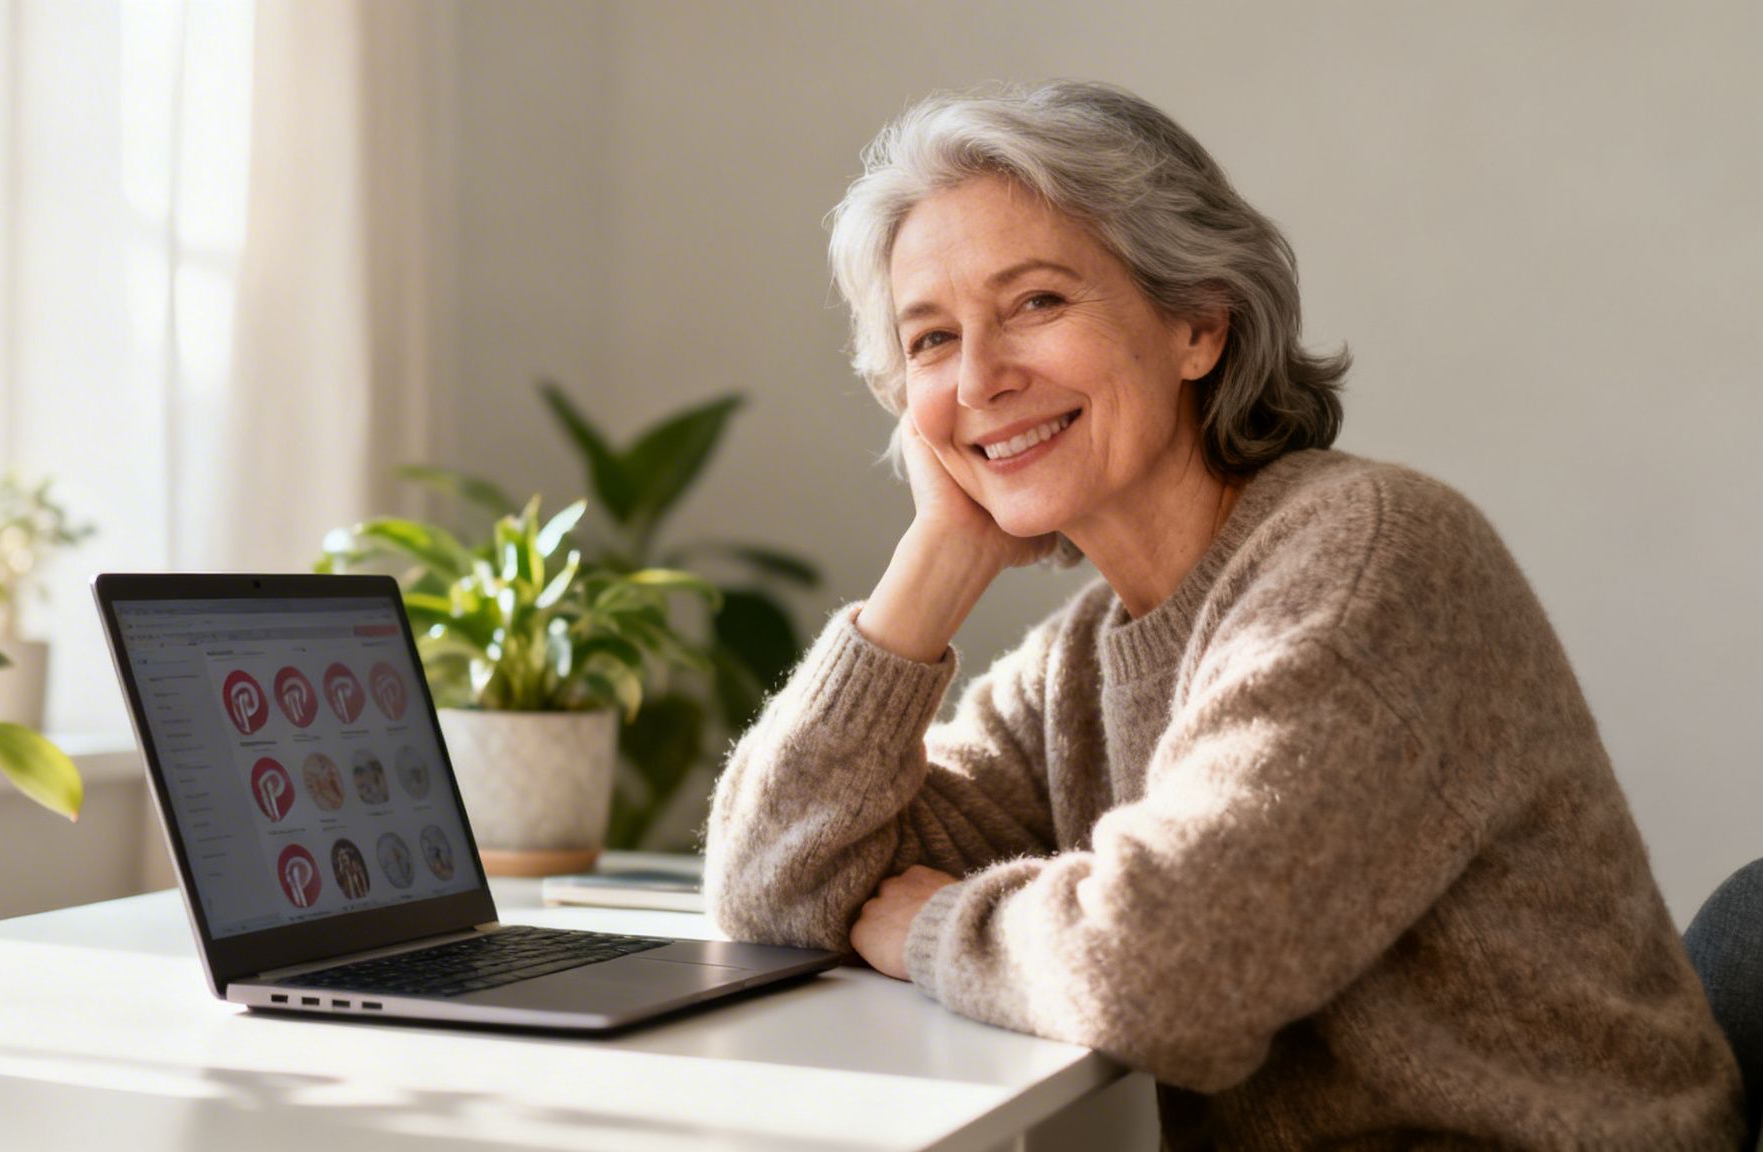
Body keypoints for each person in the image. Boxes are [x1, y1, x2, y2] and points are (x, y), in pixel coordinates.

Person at [704, 81, 1745, 1149]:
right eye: (929, 340)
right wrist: (934, 562)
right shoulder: (1075, 663)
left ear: (1198, 323)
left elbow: (1167, 973)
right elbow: (774, 892)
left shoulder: (1367, 559)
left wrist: (933, 926)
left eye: (1035, 303)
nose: (978, 377)